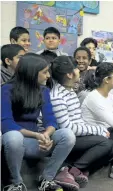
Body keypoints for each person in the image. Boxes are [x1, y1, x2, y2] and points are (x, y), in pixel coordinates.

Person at [1, 53, 75, 191]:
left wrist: (46, 134)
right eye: (45, 72)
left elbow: (51, 119)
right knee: (13, 136)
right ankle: (16, 183)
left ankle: (47, 179)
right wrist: (37, 135)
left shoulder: (43, 90)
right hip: (15, 143)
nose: (48, 76)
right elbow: (6, 124)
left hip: (36, 142)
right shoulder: (6, 90)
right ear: (32, 73)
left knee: (67, 135)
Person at [48, 56, 113, 191]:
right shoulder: (57, 96)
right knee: (105, 143)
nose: (79, 70)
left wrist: (97, 129)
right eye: (76, 68)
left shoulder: (70, 91)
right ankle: (71, 169)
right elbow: (67, 128)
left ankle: (77, 169)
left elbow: (78, 121)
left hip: (77, 135)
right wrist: (97, 130)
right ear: (69, 74)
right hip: (66, 138)